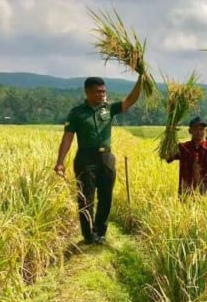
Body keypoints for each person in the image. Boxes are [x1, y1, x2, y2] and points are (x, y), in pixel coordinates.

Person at [54, 76, 142, 244]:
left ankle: (100, 232)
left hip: (106, 158)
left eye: (104, 91)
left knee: (106, 196)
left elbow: (130, 100)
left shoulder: (109, 109)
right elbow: (67, 138)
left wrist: (141, 79)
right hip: (85, 159)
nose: (102, 94)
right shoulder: (77, 113)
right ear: (87, 92)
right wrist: (60, 162)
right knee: (86, 198)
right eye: (98, 91)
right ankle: (88, 235)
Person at [166, 116, 207, 196]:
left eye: (201, 129)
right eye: (195, 129)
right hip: (187, 193)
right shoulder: (183, 147)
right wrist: (170, 136)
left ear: (206, 131)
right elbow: (168, 158)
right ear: (190, 131)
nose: (199, 132)